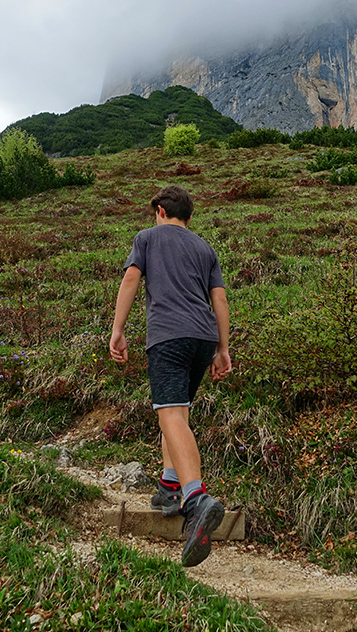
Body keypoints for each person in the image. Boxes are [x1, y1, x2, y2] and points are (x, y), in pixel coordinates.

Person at [109, 185, 232, 567]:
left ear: (160, 210)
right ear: (188, 217)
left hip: (168, 335)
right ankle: (169, 487)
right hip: (204, 337)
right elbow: (220, 300)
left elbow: (131, 280)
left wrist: (117, 329)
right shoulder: (204, 248)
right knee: (179, 412)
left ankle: (195, 498)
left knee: (170, 415)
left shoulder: (146, 238)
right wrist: (223, 349)